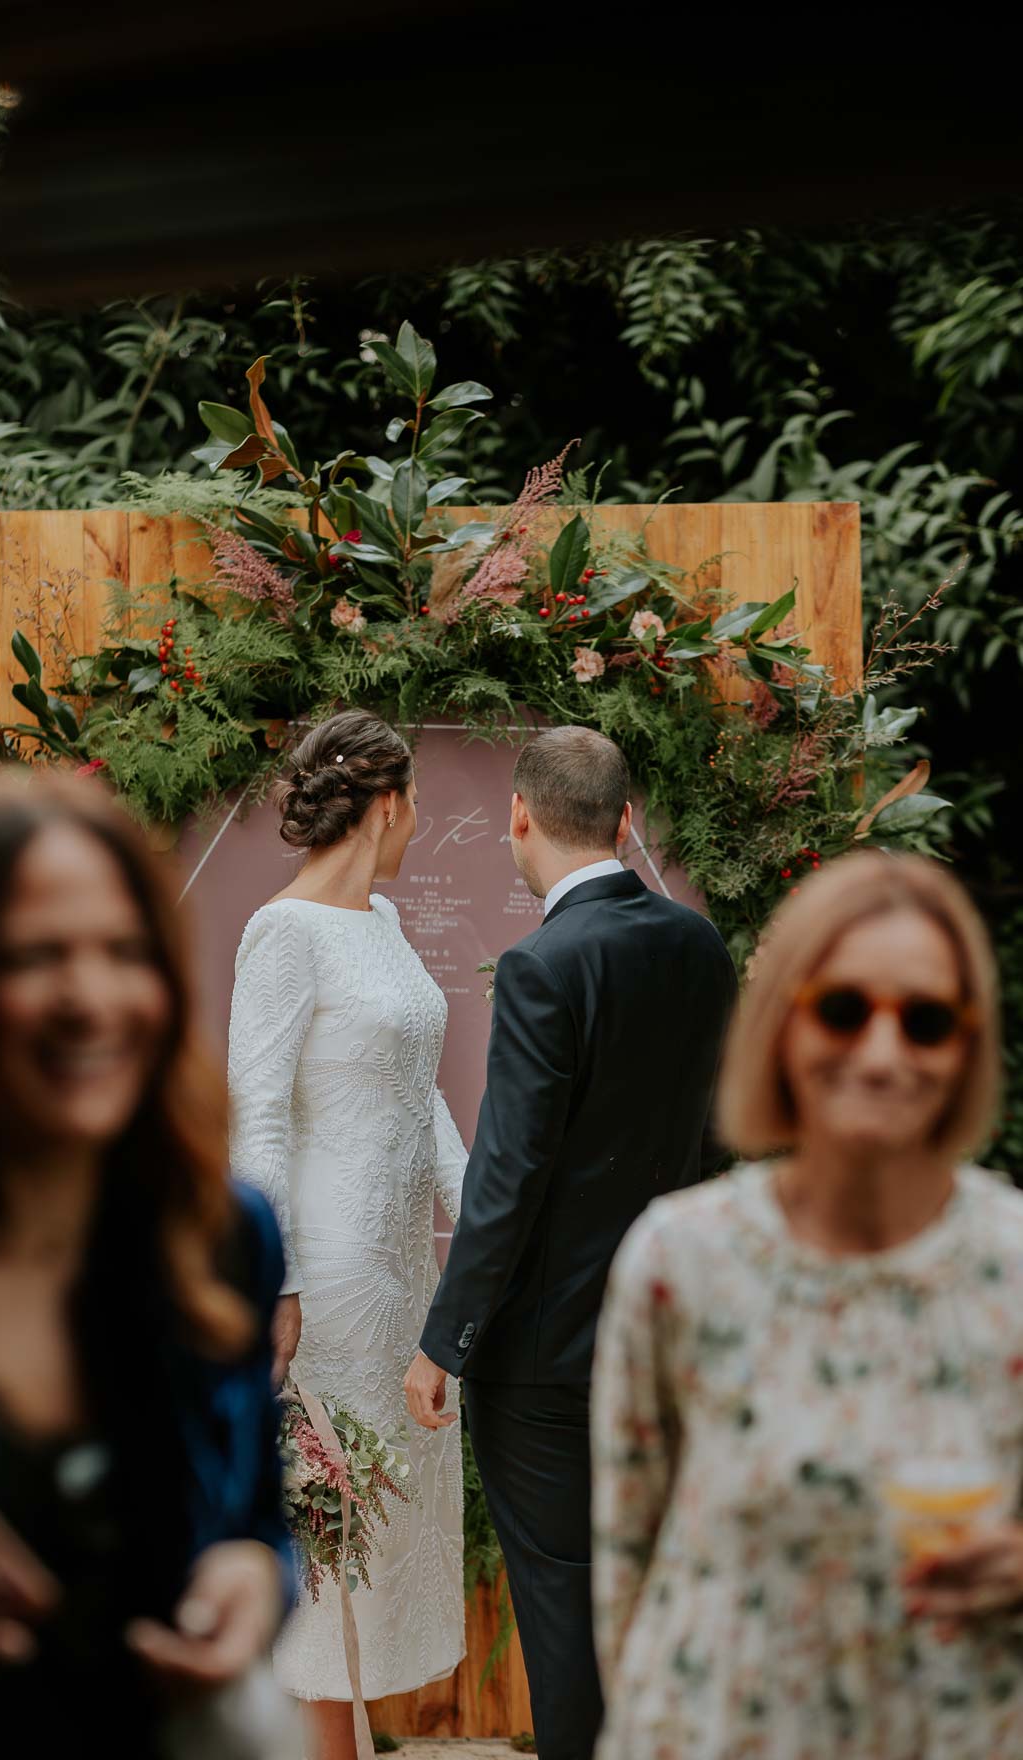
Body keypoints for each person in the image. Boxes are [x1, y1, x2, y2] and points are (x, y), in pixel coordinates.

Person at [0, 769, 294, 1760]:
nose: (88, 998)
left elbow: (254, 1515)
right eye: (33, 956)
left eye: (124, 951)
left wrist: (256, 1579)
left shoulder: (218, 1235)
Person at [590, 850, 1023, 1760]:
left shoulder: (1011, 1262)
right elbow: (625, 1556)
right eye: (841, 1008)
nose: (881, 1053)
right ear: (781, 1024)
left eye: (927, 1021)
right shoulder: (681, 1258)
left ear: (967, 1046)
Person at [405, 724, 737, 1760]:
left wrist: (444, 1339)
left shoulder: (545, 964)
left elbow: (508, 1178)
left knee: (565, 1623)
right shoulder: (700, 946)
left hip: (548, 1365)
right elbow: (724, 1144)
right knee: (657, 1605)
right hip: (671, 1338)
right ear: (625, 819)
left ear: (520, 815)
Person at [227, 709, 467, 1760]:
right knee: (332, 1531)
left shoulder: (385, 920)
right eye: (414, 803)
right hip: (322, 1278)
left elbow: (427, 1100)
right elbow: (257, 1111)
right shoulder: (281, 931)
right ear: (386, 802)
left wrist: (480, 1223)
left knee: (379, 1531)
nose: (418, 823)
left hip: (404, 1272)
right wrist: (273, 1281)